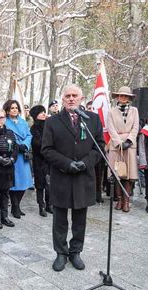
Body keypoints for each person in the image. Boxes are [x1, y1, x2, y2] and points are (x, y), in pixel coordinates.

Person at [42, 84, 104, 272]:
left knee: (80, 219)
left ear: (81, 98)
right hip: (62, 176)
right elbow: (46, 149)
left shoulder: (92, 119)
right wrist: (66, 163)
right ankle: (61, 253)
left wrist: (86, 163)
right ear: (62, 98)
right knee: (60, 218)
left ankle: (75, 252)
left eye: (74, 95)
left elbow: (99, 145)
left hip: (83, 177)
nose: (71, 98)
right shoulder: (52, 121)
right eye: (67, 95)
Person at [107, 86, 140, 212]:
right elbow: (110, 128)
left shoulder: (134, 111)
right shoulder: (111, 111)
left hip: (130, 146)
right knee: (117, 173)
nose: (123, 98)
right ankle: (119, 199)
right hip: (116, 146)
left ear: (129, 98)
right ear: (117, 97)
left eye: (126, 96)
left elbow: (136, 127)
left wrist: (129, 140)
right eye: (121, 95)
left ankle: (126, 201)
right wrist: (119, 142)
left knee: (128, 175)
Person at [3, 99, 33, 219]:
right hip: (13, 154)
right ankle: (15, 206)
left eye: (16, 108)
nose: (14, 110)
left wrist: (24, 144)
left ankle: (17, 205)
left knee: (24, 182)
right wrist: (15, 146)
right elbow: (4, 137)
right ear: (7, 110)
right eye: (12, 108)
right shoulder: (5, 122)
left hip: (23, 154)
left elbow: (29, 135)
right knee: (14, 183)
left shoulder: (23, 122)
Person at [30, 105, 52, 217]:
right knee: (40, 185)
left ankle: (49, 204)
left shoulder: (49, 126)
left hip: (50, 160)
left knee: (50, 184)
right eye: (41, 112)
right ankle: (41, 206)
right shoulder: (33, 128)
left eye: (44, 112)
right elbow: (37, 144)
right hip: (39, 160)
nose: (44, 113)